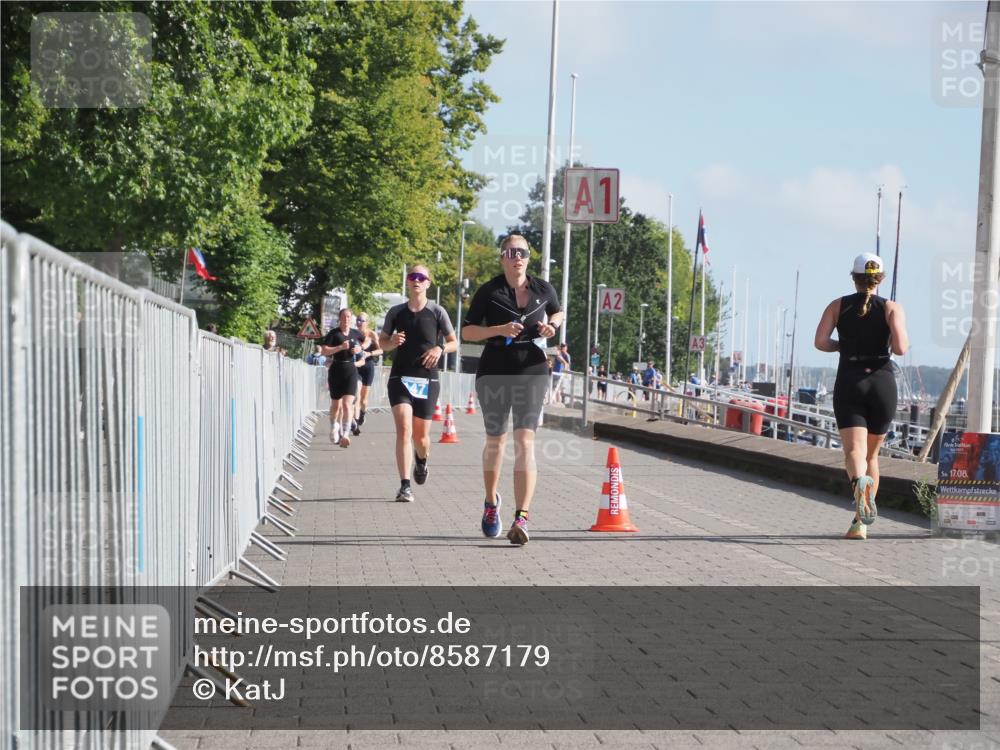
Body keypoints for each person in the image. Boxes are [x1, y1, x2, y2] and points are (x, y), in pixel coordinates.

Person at [461, 234, 563, 545]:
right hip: (494, 369)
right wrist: (499, 330)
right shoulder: (489, 291)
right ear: (502, 257)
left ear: (528, 257)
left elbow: (557, 311)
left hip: (531, 367)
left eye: (522, 252)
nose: (516, 256)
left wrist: (552, 326)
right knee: (496, 442)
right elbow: (467, 330)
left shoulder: (542, 288)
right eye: (510, 252)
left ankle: (522, 518)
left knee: (525, 441)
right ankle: (491, 503)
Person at [814, 252, 909, 540]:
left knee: (853, 453)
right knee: (872, 455)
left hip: (850, 380)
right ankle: (860, 523)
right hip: (881, 382)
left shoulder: (837, 305)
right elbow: (901, 348)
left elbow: (820, 342)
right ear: (879, 279)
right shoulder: (891, 307)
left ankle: (858, 483)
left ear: (854, 277)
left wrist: (841, 346)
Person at [379, 265, 458, 503]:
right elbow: (382, 343)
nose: (416, 280)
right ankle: (405, 486)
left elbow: (454, 342)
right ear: (407, 281)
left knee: (421, 438)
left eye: (420, 277)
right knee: (404, 429)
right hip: (400, 376)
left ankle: (421, 461)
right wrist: (391, 341)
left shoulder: (437, 311)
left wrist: (439, 348)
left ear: (428, 283)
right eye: (412, 276)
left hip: (427, 378)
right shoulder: (396, 312)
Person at [320, 308, 364, 448]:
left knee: (347, 404)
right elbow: (324, 351)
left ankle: (345, 434)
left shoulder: (356, 333)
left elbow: (365, 342)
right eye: (344, 317)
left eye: (349, 317)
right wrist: (340, 347)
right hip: (336, 370)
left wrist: (359, 349)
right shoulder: (334, 334)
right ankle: (334, 426)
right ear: (340, 318)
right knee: (336, 406)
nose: (346, 319)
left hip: (351, 370)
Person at [352, 312, 383, 435]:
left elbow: (381, 350)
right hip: (357, 367)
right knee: (356, 395)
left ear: (367, 322)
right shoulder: (353, 334)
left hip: (368, 367)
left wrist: (370, 353)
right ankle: (355, 423)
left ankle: (362, 414)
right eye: (358, 320)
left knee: (364, 400)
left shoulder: (372, 334)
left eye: (361, 320)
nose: (359, 322)